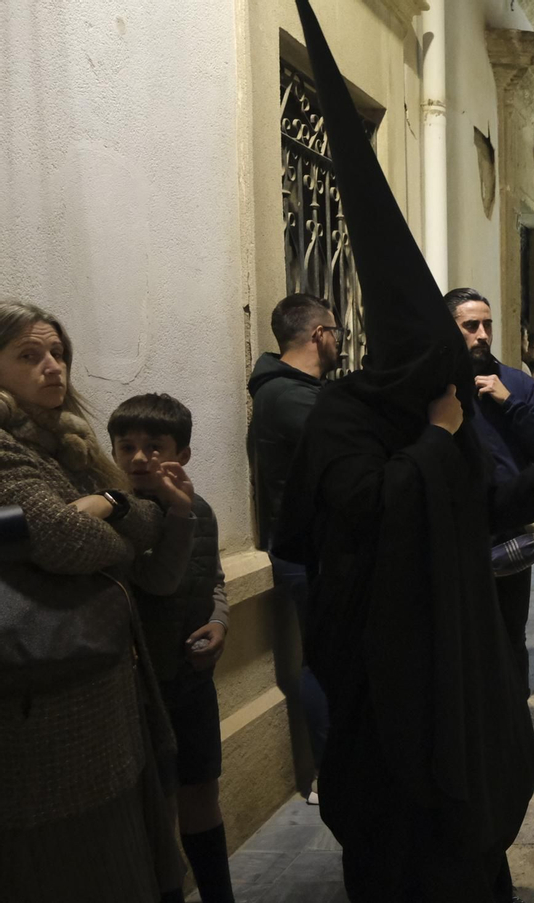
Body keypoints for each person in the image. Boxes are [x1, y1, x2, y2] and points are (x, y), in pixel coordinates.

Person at [274, 4, 534, 899]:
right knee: (398, 840)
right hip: (384, 665)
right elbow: (364, 510)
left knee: (472, 825)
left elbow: (481, 503)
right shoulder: (343, 418)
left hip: (459, 654)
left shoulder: (441, 411)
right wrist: (442, 435)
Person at [0, 302, 195, 903]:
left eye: (58, 354)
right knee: (68, 861)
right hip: (47, 693)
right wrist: (118, 520)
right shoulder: (8, 450)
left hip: (107, 678)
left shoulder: (71, 441)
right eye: (29, 356)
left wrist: (108, 503)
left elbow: (139, 520)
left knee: (126, 845)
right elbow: (61, 540)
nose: (53, 368)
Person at [110, 393, 236, 903]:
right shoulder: (121, 515)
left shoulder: (198, 509)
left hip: (190, 682)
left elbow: (214, 578)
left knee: (202, 792)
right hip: (141, 694)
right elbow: (151, 584)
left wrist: (220, 622)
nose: (140, 459)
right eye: (127, 447)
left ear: (181, 454)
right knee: (157, 809)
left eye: (154, 447)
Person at [445, 286, 534, 696]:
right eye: (470, 326)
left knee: (511, 635)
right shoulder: (436, 385)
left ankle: (516, 728)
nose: (482, 334)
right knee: (461, 642)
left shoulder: (516, 382)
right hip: (454, 535)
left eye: (487, 325)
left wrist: (510, 401)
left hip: (509, 531)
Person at [247, 291, 336, 794]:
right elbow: (347, 442)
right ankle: (332, 768)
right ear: (320, 335)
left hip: (311, 548)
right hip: (308, 553)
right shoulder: (287, 395)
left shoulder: (293, 389)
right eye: (337, 333)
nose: (341, 343)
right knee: (323, 659)